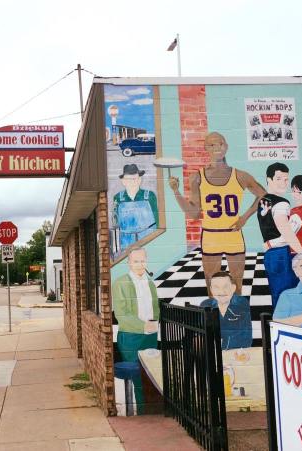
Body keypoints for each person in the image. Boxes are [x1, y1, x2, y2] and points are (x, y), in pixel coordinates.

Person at [169, 132, 266, 294]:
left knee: (237, 284)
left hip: (233, 233)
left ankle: (235, 316)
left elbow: (263, 195)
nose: (217, 147)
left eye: (220, 143)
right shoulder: (197, 177)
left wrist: (245, 217)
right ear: (206, 148)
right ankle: (214, 318)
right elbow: (193, 213)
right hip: (211, 235)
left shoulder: (241, 175)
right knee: (212, 285)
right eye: (212, 144)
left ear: (226, 147)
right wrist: (176, 191)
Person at [112, 247, 159, 412]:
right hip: (131, 337)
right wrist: (143, 325)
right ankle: (142, 410)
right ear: (129, 263)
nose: (140, 264)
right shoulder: (120, 283)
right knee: (138, 375)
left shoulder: (150, 283)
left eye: (142, 261)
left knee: (151, 375)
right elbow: (121, 314)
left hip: (150, 336)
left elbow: (156, 308)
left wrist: (154, 323)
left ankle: (150, 409)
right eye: (136, 261)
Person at [257, 163, 302, 308]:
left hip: (271, 255)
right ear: (268, 179)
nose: (284, 183)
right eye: (279, 179)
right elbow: (287, 232)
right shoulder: (282, 203)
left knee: (278, 294)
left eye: (285, 179)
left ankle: (279, 326)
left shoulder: (264, 200)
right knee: (289, 294)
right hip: (283, 253)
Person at [113, 164, 159, 253]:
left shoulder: (149, 196)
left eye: (135, 178)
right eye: (129, 179)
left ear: (139, 180)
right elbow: (115, 223)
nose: (132, 182)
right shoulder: (118, 198)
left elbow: (157, 220)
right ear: (123, 181)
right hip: (126, 242)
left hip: (147, 240)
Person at [200, 271, 252, 350]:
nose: (221, 291)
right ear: (211, 289)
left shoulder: (241, 303)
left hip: (236, 353)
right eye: (216, 287)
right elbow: (202, 332)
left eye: (225, 287)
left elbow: (244, 336)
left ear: (233, 288)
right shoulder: (205, 304)